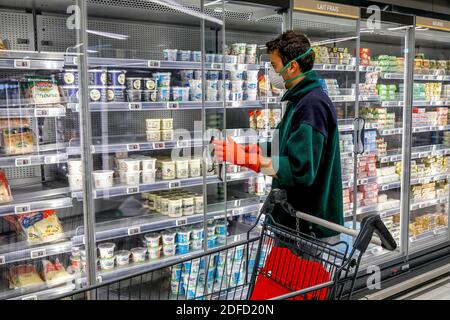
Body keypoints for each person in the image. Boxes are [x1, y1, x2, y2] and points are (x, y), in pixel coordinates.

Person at [213, 31, 344, 243]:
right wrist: (252, 149)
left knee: (305, 277)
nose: (273, 73)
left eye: (274, 66)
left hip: (307, 226)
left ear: (292, 66)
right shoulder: (300, 100)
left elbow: (299, 170)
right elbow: (285, 145)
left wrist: (245, 159)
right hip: (295, 220)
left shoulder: (312, 105)